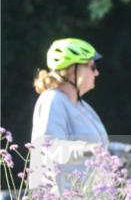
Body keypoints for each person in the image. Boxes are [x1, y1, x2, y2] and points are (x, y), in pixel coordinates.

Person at [29, 38, 107, 191]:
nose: (97, 72)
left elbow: (100, 147)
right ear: (73, 71)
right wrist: (85, 149)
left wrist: (125, 150)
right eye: (92, 67)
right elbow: (48, 148)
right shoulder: (52, 100)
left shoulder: (83, 107)